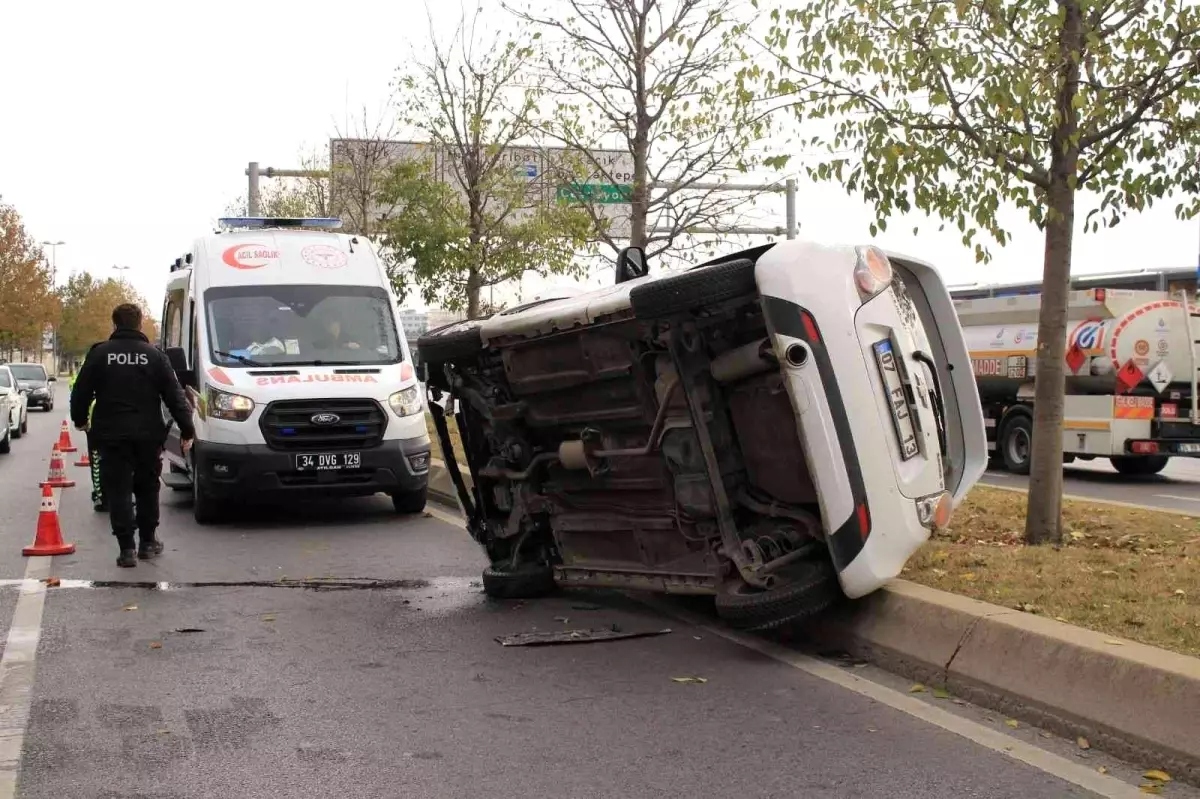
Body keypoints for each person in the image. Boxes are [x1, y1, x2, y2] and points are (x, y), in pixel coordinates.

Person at [70, 304, 195, 568]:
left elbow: (81, 392)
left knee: (118, 490)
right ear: (139, 325)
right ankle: (148, 542)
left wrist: (81, 420)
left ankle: (126, 548)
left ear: (114, 325)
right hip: (148, 434)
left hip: (111, 434)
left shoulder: (99, 353)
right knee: (148, 487)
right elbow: (175, 397)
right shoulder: (155, 356)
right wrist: (187, 429)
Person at [69, 343, 105, 511]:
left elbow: (80, 391)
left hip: (97, 420)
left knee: (97, 459)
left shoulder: (94, 360)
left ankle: (100, 495)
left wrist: (80, 420)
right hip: (133, 423)